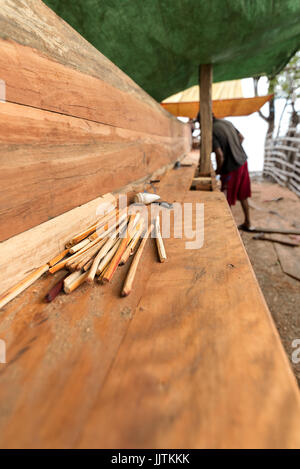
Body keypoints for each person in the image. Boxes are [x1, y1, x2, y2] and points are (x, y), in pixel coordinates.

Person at [212, 116, 253, 231]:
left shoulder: (212, 130)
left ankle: (226, 230)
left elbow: (219, 155)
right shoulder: (227, 122)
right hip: (243, 162)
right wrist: (234, 150)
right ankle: (247, 222)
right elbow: (241, 138)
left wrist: (217, 171)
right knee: (243, 195)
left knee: (225, 199)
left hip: (231, 168)